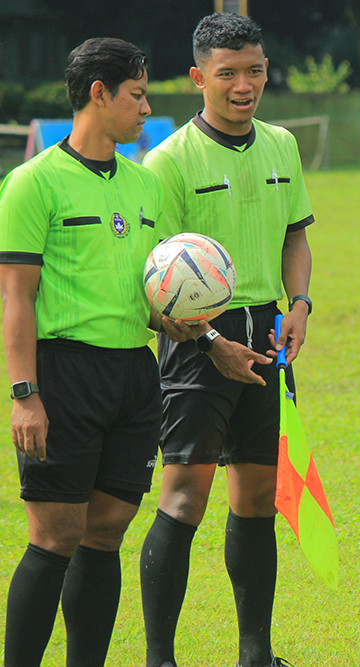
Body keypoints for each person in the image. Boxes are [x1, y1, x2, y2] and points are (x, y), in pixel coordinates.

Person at [138, 12, 314, 667]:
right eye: (228, 74)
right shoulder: (169, 161)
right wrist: (211, 339)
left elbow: (296, 235)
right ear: (197, 79)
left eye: (255, 71)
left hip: (268, 330)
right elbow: (156, 277)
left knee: (259, 497)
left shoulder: (283, 144)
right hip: (194, 341)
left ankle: (256, 654)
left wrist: (298, 304)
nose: (245, 85)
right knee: (185, 495)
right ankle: (159, 657)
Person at [0, 38, 166, 667]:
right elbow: (17, 300)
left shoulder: (146, 186)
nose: (146, 108)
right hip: (63, 375)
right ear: (100, 94)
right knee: (55, 536)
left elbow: (150, 295)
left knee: (105, 535)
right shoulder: (31, 183)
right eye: (137, 94)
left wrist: (182, 322)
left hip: (134, 374)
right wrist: (25, 394)